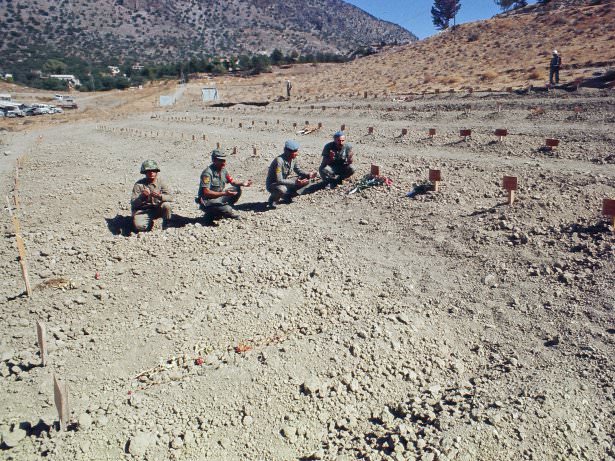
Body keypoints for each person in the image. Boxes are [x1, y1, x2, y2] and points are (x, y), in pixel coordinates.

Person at [197, 149, 252, 221]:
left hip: (218, 197)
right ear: (214, 160)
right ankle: (210, 215)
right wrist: (224, 193)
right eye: (221, 160)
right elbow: (206, 192)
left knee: (237, 189)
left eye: (224, 160)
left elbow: (232, 182)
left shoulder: (223, 170)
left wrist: (242, 183)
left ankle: (222, 210)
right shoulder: (207, 173)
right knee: (227, 209)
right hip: (207, 201)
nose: (224, 163)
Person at [266, 140, 317, 208]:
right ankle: (272, 201)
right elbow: (279, 180)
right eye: (293, 151)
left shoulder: (293, 159)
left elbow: (298, 170)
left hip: (284, 181)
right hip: (273, 184)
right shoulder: (279, 161)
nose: (296, 153)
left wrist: (308, 174)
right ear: (286, 151)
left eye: (296, 151)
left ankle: (287, 195)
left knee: (306, 180)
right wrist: (295, 183)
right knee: (282, 189)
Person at [131, 160, 173, 232]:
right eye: (149, 171)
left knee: (167, 205)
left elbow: (170, 197)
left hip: (157, 208)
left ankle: (166, 223)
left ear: (157, 172)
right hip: (143, 210)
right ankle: (147, 224)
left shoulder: (161, 182)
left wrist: (160, 196)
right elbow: (134, 204)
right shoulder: (138, 184)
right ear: (144, 172)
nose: (151, 173)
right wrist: (142, 196)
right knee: (140, 227)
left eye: (154, 171)